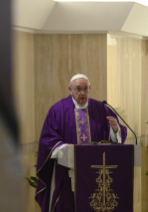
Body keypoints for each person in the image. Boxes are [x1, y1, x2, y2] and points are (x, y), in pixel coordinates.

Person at [35, 74, 127, 212]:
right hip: (67, 174)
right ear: (70, 89)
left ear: (89, 88)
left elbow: (116, 136)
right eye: (78, 89)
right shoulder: (58, 110)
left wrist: (116, 129)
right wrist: (64, 147)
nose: (82, 93)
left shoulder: (101, 108)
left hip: (96, 176)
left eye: (85, 89)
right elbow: (48, 139)